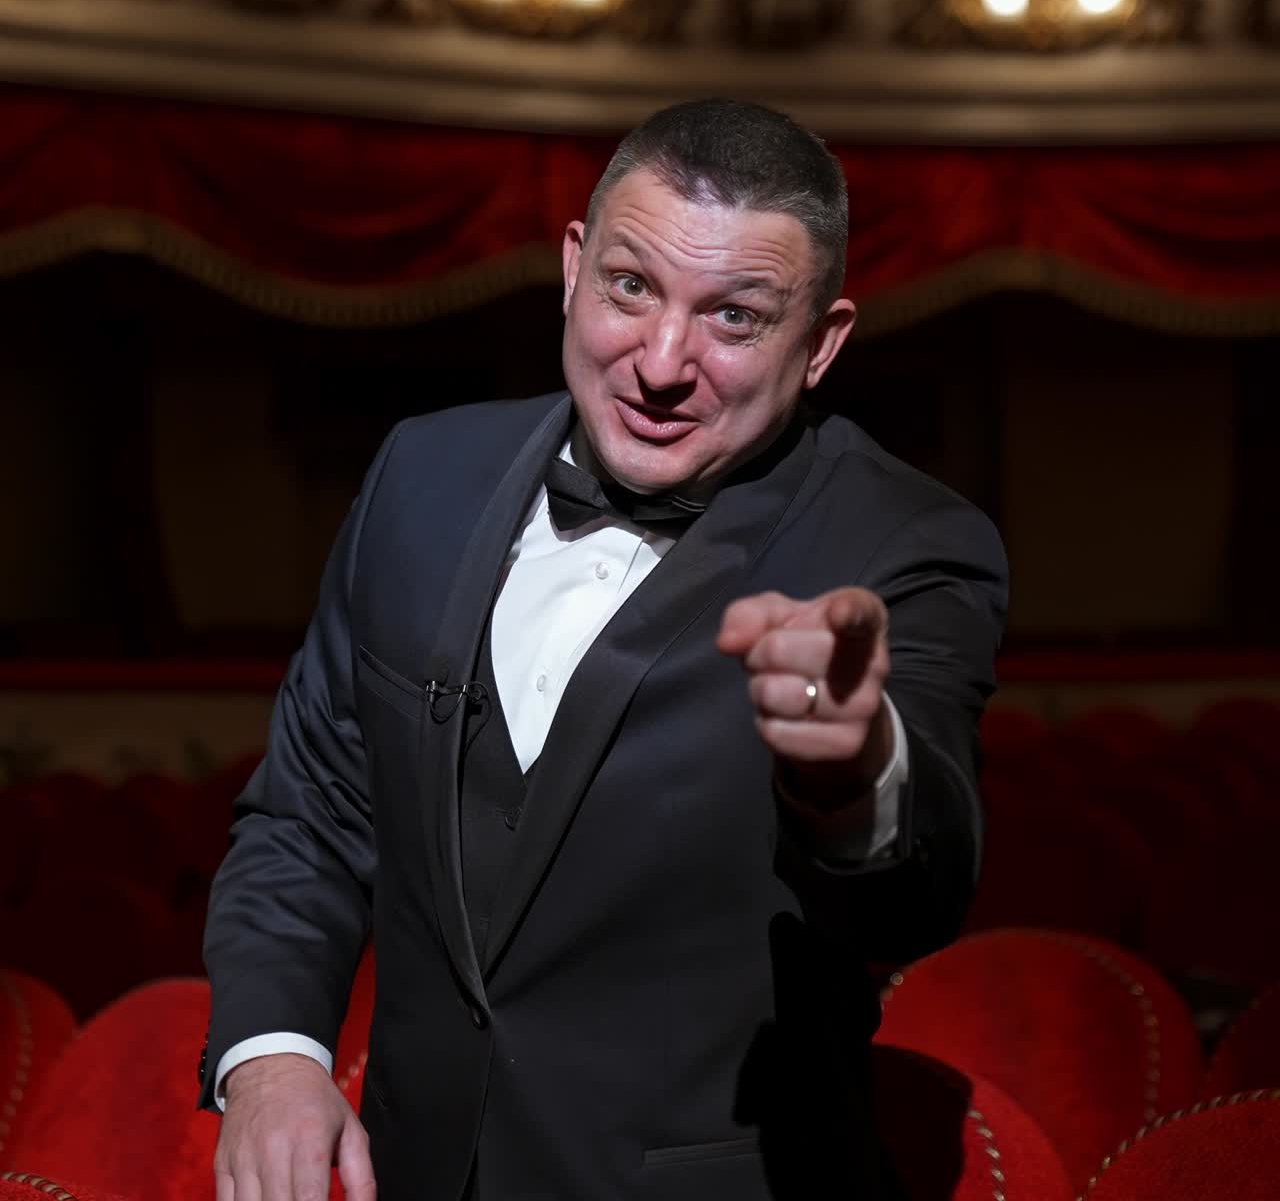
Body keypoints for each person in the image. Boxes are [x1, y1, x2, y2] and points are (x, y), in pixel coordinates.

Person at [200, 98, 1007, 1201]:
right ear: (574, 267)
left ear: (819, 344)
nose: (662, 360)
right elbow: (311, 813)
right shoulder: (420, 474)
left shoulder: (909, 541)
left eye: (733, 317)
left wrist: (852, 769)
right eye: (633, 286)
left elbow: (917, 890)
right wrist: (273, 1055)